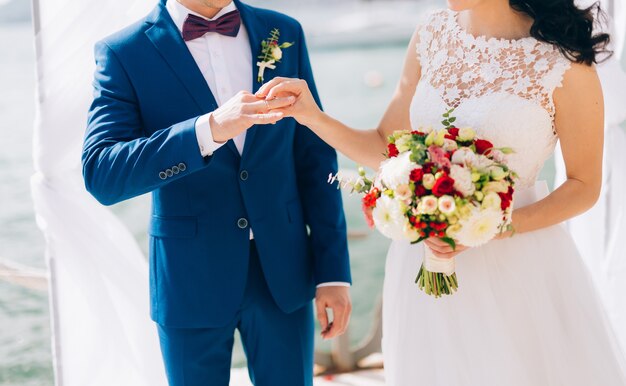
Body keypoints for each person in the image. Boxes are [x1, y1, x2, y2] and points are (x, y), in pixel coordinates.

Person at [256, 0, 626, 384]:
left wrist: (492, 226)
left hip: (518, 270)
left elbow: (584, 186)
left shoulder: (563, 62)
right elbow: (387, 145)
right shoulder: (431, 33)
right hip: (422, 266)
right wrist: (312, 117)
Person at [81, 1, 352, 385]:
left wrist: (333, 273)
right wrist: (206, 130)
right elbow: (102, 173)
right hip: (190, 278)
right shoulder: (124, 52)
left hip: (283, 273)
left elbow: (314, 156)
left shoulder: (283, 31)